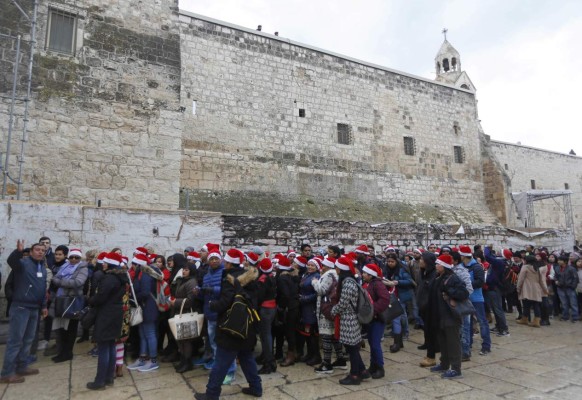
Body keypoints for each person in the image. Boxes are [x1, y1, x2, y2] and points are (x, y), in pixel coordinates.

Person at [194, 249, 262, 400]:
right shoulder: (251, 278)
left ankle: (211, 394)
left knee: (220, 363)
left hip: (231, 328)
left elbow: (225, 302)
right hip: (247, 326)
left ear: (230, 262)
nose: (224, 263)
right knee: (246, 357)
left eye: (226, 261)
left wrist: (212, 304)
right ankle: (256, 387)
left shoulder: (230, 279)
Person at [1, 241, 49, 384]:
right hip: (21, 307)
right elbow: (11, 261)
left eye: (43, 250)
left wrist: (44, 306)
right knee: (15, 341)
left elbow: (42, 289)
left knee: (28, 340)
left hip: (35, 308)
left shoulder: (43, 268)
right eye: (37, 249)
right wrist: (18, 251)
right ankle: (7, 373)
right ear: (32, 251)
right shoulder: (22, 263)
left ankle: (22, 366)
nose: (40, 252)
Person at [86, 252, 129, 390]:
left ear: (110, 263)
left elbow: (101, 297)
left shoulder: (110, 278)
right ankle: (109, 377)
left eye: (105, 262)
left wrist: (90, 300)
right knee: (111, 345)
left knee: (104, 346)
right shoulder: (120, 277)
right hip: (115, 313)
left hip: (107, 314)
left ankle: (100, 380)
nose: (102, 263)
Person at [429, 254, 469, 379]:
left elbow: (464, 292)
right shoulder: (438, 277)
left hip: (450, 316)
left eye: (438, 264)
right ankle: (444, 364)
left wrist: (449, 293)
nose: (436, 266)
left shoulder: (453, 278)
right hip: (439, 315)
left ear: (444, 266)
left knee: (453, 343)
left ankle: (456, 369)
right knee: (443, 342)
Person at [331, 256, 369, 385]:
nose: (335, 269)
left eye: (336, 267)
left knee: (352, 348)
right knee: (352, 347)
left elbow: (343, 303)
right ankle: (363, 371)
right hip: (349, 318)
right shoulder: (350, 281)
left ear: (341, 269)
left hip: (349, 319)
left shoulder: (348, 283)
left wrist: (333, 311)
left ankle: (354, 375)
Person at [50, 248, 88, 362]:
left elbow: (78, 282)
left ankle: (67, 353)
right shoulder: (64, 266)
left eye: (77, 257)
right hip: (60, 299)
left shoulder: (83, 268)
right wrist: (61, 281)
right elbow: (54, 277)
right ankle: (62, 351)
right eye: (72, 257)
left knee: (70, 328)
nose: (74, 259)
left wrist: (61, 282)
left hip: (72, 301)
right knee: (61, 328)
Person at [127, 253, 161, 372]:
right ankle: (142, 358)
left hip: (148, 307)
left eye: (134, 264)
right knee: (142, 333)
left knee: (150, 333)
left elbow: (146, 292)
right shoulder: (140, 274)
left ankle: (153, 360)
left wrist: (134, 297)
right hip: (142, 307)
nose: (133, 266)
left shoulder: (145, 276)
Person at [312, 256, 347, 374]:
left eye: (323, 265)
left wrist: (315, 282)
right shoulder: (337, 275)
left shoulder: (329, 275)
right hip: (334, 309)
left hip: (326, 310)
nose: (321, 268)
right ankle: (340, 359)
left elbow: (321, 290)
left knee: (326, 336)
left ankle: (326, 364)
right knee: (334, 336)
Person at [459, 245, 490, 358]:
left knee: (482, 322)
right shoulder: (461, 266)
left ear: (464, 256)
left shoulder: (476, 267)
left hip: (476, 298)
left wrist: (465, 285)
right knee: (468, 323)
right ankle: (468, 343)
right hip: (466, 298)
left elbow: (480, 282)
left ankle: (486, 345)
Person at [170, 260, 199, 373]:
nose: (184, 271)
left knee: (186, 339)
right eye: (183, 269)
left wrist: (176, 302)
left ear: (191, 271)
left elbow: (191, 300)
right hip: (179, 312)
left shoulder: (192, 282)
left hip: (186, 312)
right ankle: (183, 360)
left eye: (186, 270)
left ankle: (187, 362)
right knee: (180, 339)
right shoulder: (182, 280)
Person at [362, 263, 389, 379]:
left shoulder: (377, 284)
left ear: (370, 274)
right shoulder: (369, 284)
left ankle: (380, 368)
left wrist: (372, 311)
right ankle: (373, 366)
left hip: (377, 319)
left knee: (375, 344)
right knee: (372, 343)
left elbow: (385, 299)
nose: (362, 275)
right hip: (371, 319)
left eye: (364, 273)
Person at [383, 252, 414, 353]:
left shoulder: (402, 269)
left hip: (401, 295)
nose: (390, 263)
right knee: (398, 317)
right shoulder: (386, 269)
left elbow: (410, 281)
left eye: (392, 262)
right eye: (388, 262)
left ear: (396, 261)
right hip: (392, 296)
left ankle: (398, 341)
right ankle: (399, 340)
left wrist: (397, 282)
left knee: (397, 318)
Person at [255, 258, 277, 374]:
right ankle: (267, 358)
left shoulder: (263, 279)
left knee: (265, 335)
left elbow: (260, 296)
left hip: (265, 309)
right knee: (267, 334)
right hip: (272, 308)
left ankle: (269, 363)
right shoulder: (272, 277)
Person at [417, 252, 439, 367]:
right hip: (424, 308)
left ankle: (431, 357)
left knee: (432, 333)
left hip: (432, 309)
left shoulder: (434, 275)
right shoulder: (423, 273)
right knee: (428, 332)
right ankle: (430, 354)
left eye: (422, 259)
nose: (420, 261)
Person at [298, 258, 321, 366]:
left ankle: (316, 356)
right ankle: (310, 353)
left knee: (312, 333)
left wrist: (305, 298)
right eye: (309, 265)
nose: (310, 267)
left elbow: (317, 294)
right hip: (304, 307)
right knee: (306, 332)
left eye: (312, 265)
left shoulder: (316, 277)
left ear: (317, 267)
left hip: (310, 307)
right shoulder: (306, 275)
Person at [516, 255, 548, 327]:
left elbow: (520, 279)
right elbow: (541, 281)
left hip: (526, 288)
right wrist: (545, 289)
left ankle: (524, 319)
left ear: (526, 261)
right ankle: (536, 321)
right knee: (536, 305)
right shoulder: (537, 268)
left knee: (526, 305)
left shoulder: (525, 267)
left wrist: (518, 288)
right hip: (536, 288)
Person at [554, 254, 579, 322]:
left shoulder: (571, 268)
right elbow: (555, 276)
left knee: (573, 303)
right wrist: (556, 281)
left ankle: (575, 317)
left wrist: (572, 286)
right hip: (560, 287)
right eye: (558, 260)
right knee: (564, 303)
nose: (558, 261)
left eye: (560, 260)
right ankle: (565, 316)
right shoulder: (557, 268)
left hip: (570, 288)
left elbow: (575, 278)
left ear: (565, 261)